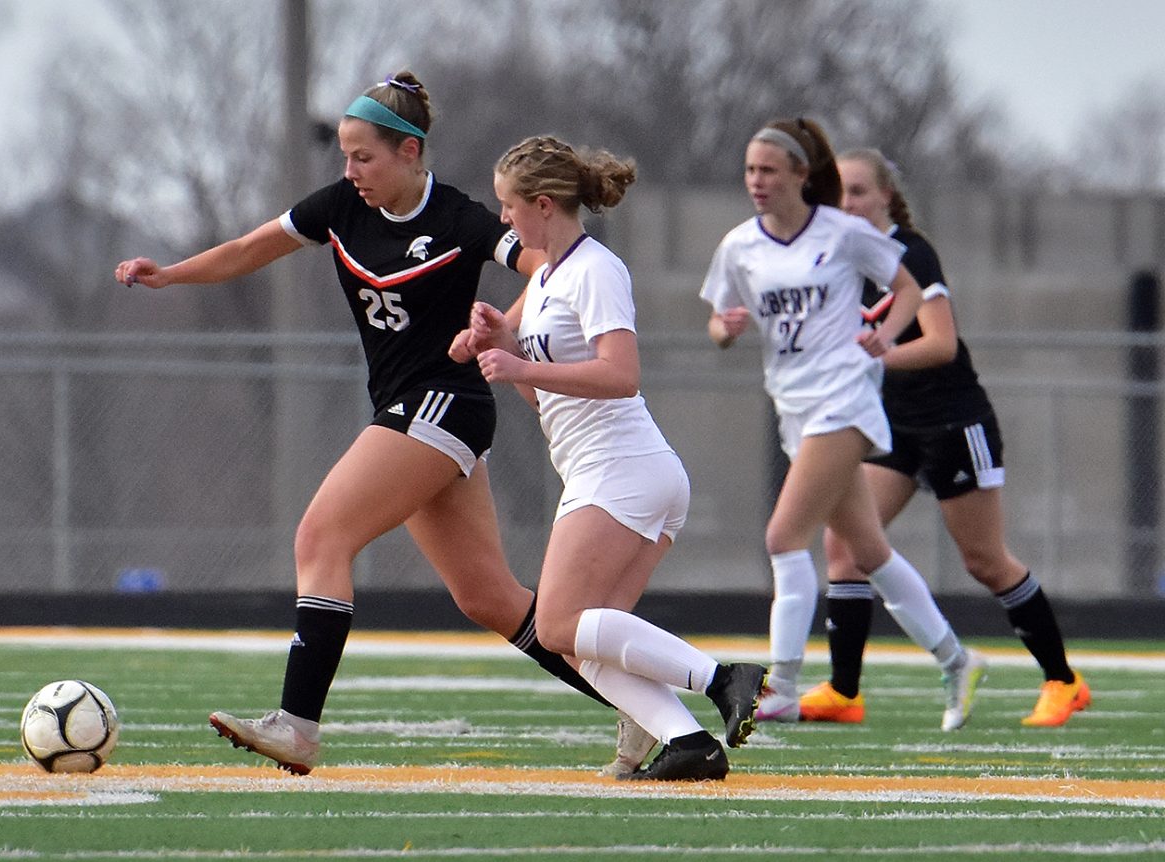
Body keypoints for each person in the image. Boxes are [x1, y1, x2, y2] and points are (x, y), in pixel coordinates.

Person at [113, 72, 629, 775]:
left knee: (321, 534)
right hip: (409, 410)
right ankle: (644, 708)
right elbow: (249, 250)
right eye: (346, 156)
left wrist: (502, 331)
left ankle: (297, 725)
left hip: (445, 401)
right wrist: (170, 274)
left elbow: (549, 263)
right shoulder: (340, 209)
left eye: (365, 157)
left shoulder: (458, 217)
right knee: (489, 599)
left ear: (410, 153)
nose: (350, 170)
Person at [456, 134, 767, 781]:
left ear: (543, 205)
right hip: (613, 472)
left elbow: (621, 374)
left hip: (622, 469)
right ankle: (689, 744)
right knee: (582, 643)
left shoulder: (596, 269)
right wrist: (499, 342)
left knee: (556, 621)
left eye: (509, 206)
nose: (504, 220)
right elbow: (542, 397)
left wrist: (514, 358)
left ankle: (723, 679)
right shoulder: (544, 278)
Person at [700, 118, 986, 732]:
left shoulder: (844, 233)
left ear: (802, 176)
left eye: (769, 170)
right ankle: (958, 660)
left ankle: (781, 685)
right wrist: (726, 329)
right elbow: (719, 324)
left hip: (845, 400)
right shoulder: (739, 247)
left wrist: (882, 337)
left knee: (783, 537)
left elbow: (907, 289)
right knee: (868, 550)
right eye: (750, 170)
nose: (757, 181)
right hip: (794, 406)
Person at [799, 148, 1090, 728]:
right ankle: (844, 692)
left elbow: (941, 344)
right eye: (838, 193)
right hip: (894, 426)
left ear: (887, 196)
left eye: (858, 191)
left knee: (984, 560)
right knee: (846, 545)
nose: (847, 203)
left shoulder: (910, 252)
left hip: (955, 423)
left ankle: (1064, 682)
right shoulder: (839, 258)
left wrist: (877, 358)